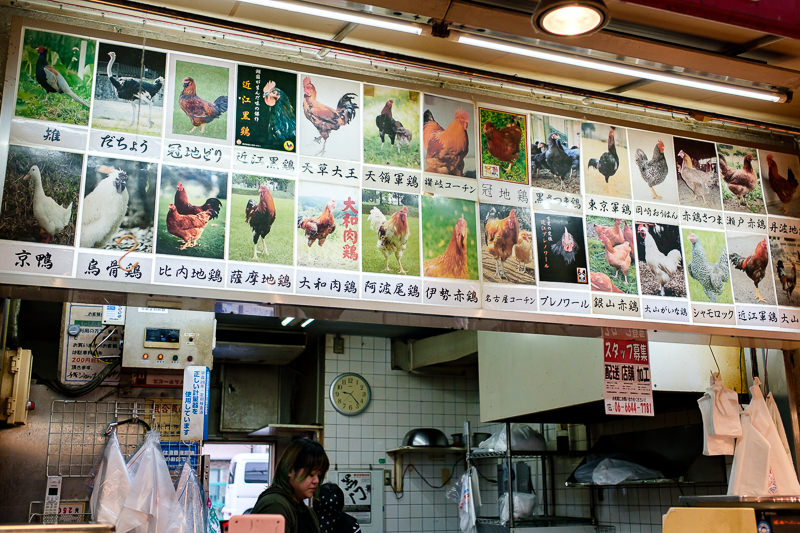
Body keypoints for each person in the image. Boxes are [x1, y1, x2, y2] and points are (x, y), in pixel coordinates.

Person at [252, 437, 330, 533]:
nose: (316, 481)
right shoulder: (275, 505)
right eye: (311, 474)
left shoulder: (304, 509)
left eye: (319, 475)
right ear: (290, 470)